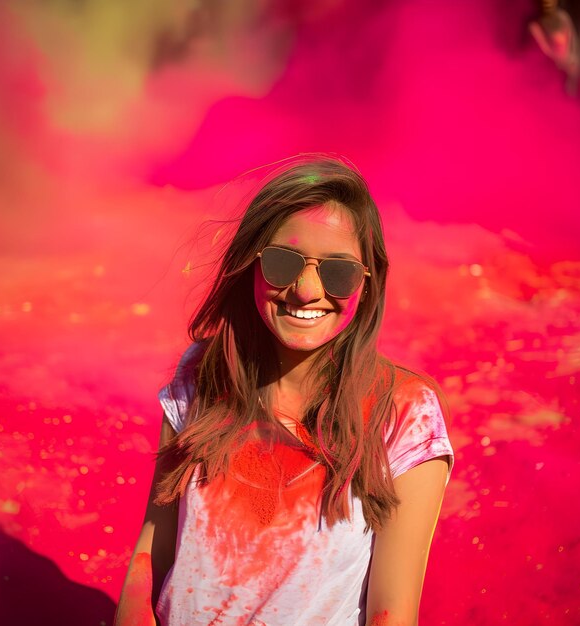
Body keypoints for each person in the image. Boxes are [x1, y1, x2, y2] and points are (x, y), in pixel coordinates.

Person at [114, 154, 453, 626]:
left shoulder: (404, 415)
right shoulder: (200, 376)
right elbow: (154, 548)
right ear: (251, 263)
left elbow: (391, 614)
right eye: (282, 261)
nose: (306, 290)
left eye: (338, 270)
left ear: (368, 279)